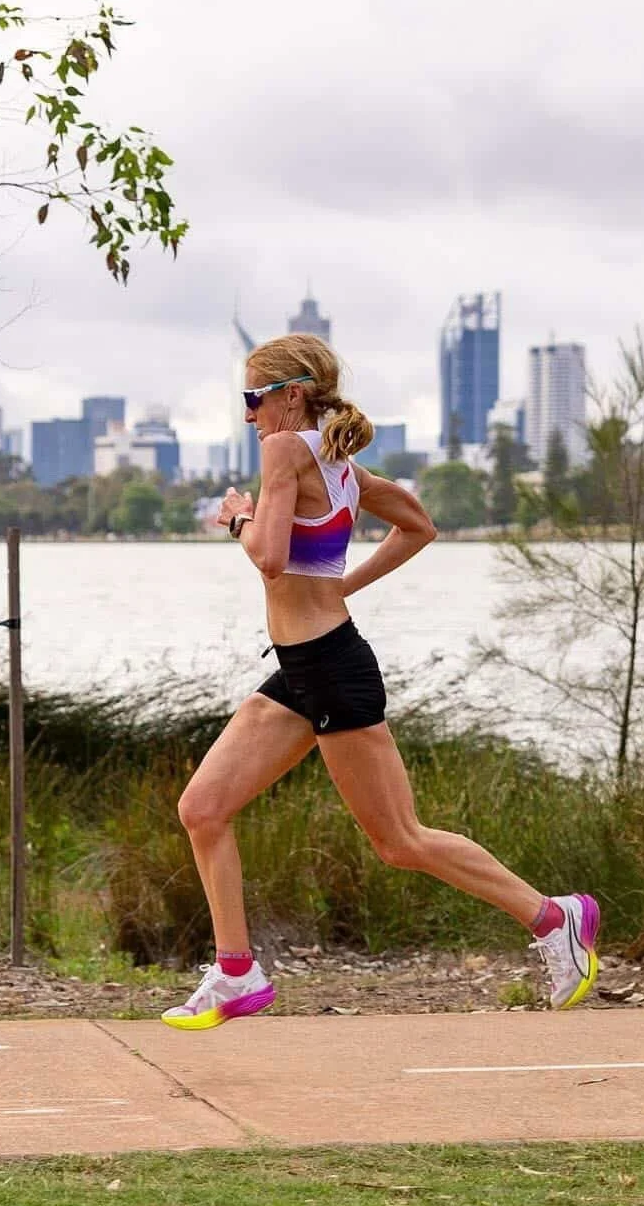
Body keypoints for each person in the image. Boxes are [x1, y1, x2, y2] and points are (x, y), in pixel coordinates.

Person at [161, 333, 599, 1030]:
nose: (248, 415)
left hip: (332, 670)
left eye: (253, 398)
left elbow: (269, 557)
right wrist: (341, 587)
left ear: (291, 395)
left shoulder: (286, 450)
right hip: (302, 669)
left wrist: (239, 516)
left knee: (400, 841)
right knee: (203, 809)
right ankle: (236, 972)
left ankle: (554, 917)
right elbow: (418, 526)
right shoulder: (340, 464)